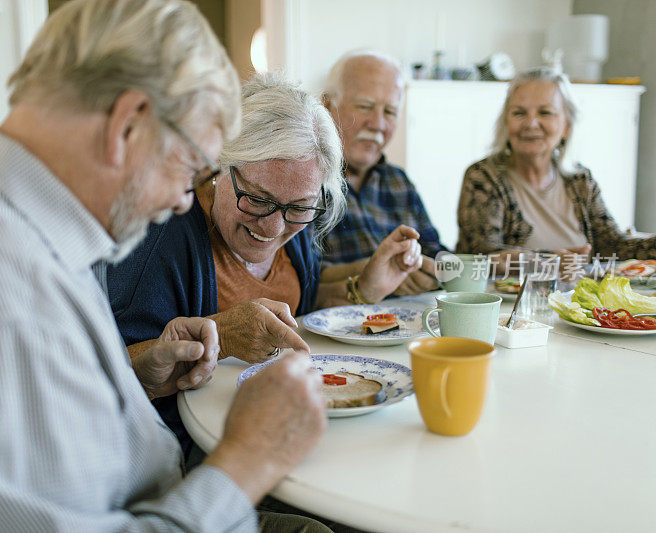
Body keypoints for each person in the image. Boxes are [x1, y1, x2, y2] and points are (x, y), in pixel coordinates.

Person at [0, 1, 330, 531]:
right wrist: (249, 459)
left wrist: (134, 380)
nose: (182, 200)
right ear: (128, 124)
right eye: (192, 166)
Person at [103, 72, 422, 458]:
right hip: (197, 454)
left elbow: (293, 308)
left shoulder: (294, 212)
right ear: (220, 166)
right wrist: (218, 338)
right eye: (256, 198)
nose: (272, 227)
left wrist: (364, 287)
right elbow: (104, 378)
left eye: (299, 207)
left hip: (296, 433)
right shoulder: (162, 237)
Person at [456, 67, 656, 268]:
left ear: (567, 126)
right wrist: (549, 260)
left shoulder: (580, 180)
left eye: (545, 113)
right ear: (506, 122)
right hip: (510, 298)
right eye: (519, 113)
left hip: (575, 297)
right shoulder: (483, 177)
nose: (531, 123)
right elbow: (480, 254)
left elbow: (612, 245)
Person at [320, 50, 447, 296]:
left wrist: (436, 269)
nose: (378, 124)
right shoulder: (306, 180)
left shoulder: (399, 182)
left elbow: (435, 249)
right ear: (327, 105)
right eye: (365, 106)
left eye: (390, 112)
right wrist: (378, 271)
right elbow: (300, 275)